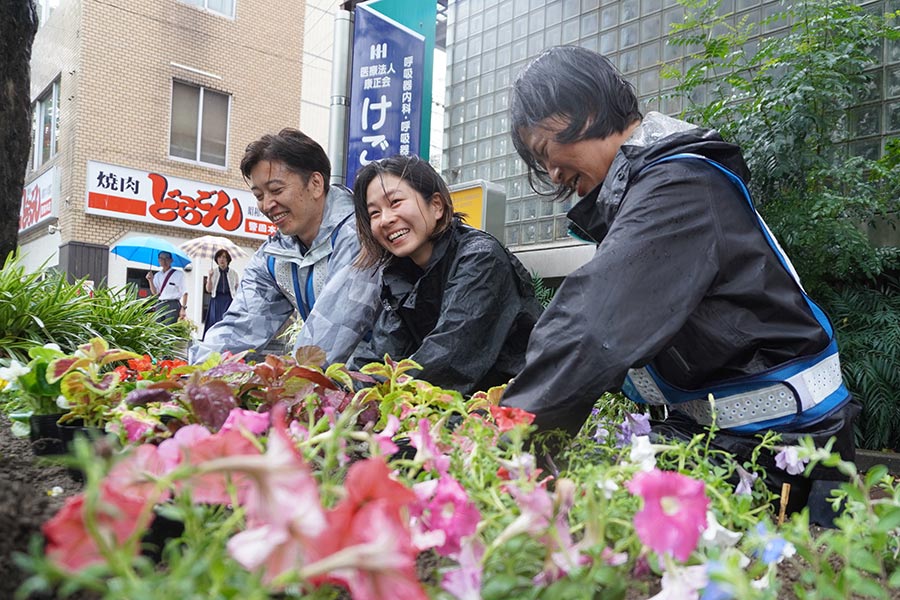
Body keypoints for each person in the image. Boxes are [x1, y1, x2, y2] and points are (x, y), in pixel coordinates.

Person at [499, 46, 857, 523]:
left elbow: (591, 326)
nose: (553, 173)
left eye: (547, 152)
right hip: (729, 441)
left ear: (582, 108)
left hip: (787, 451)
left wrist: (509, 445)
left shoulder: (678, 185)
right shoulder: (656, 186)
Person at [347, 155, 543, 395]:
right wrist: (337, 395)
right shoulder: (401, 275)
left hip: (516, 408)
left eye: (395, 202)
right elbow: (381, 355)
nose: (385, 219)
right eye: (374, 213)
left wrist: (382, 399)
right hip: (457, 409)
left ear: (437, 205)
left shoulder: (480, 257)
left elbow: (448, 355)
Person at [190, 128, 381, 364]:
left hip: (393, 385)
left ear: (315, 184)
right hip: (332, 388)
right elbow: (241, 325)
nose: (267, 205)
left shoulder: (359, 234)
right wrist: (194, 373)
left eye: (276, 190)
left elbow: (328, 334)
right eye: (259, 195)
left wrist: (283, 384)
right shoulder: (273, 254)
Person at [202, 249, 240, 339]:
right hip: (216, 300)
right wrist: (210, 277)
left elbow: (237, 289)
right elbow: (208, 290)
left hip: (229, 300)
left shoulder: (233, 273)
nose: (221, 259)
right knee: (215, 322)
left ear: (227, 259)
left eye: (224, 257)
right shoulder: (213, 272)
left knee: (227, 322)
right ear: (216, 260)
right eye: (219, 257)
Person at [146, 251, 187, 324]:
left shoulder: (178, 274)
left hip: (173, 304)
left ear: (171, 260)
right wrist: (150, 280)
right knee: (157, 329)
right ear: (158, 260)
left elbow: (185, 293)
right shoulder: (157, 275)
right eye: (161, 258)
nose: (164, 261)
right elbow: (154, 292)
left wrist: (183, 308)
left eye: (166, 258)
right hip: (160, 304)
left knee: (169, 330)